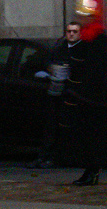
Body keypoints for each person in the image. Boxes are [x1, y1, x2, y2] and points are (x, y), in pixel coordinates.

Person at [53, 0, 107, 186]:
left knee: (93, 137)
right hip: (87, 96)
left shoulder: (98, 41)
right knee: (86, 136)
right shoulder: (88, 40)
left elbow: (97, 69)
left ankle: (93, 169)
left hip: (95, 98)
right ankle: (90, 169)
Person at [29, 20, 79, 168]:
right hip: (55, 92)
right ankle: (45, 155)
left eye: (74, 31)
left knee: (65, 126)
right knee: (50, 125)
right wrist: (50, 68)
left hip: (70, 94)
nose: (71, 34)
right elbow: (47, 62)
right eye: (69, 31)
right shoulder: (60, 47)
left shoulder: (81, 50)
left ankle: (57, 157)